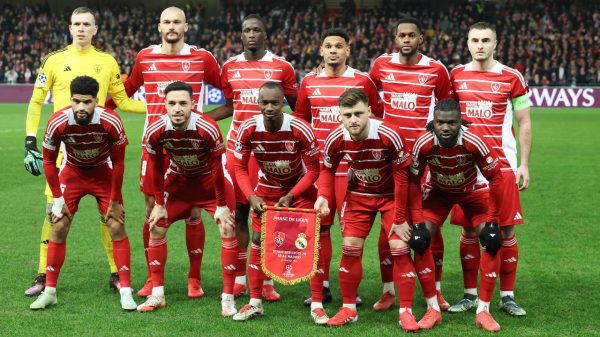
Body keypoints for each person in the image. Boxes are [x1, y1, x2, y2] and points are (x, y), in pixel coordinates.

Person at [23, 6, 145, 297]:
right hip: (64, 150)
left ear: (95, 29)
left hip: (98, 149)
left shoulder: (107, 61)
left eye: (86, 24)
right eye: (76, 23)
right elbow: (36, 101)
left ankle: (116, 273)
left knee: (110, 216)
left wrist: (160, 107)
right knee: (53, 213)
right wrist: (30, 139)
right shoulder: (54, 60)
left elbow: (124, 102)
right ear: (69, 27)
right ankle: (43, 275)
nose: (81, 28)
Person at [105, 6, 223, 299]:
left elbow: (229, 91)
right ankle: (151, 278)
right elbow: (129, 88)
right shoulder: (145, 57)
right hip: (155, 147)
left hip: (192, 147)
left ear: (186, 27)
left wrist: (205, 122)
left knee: (194, 210)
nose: (172, 27)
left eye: (177, 22)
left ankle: (194, 279)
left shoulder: (202, 58)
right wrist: (104, 112)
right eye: (167, 22)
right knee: (151, 211)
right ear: (159, 27)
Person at [315, 88, 427, 331]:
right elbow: (327, 169)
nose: (352, 120)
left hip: (390, 197)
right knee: (350, 249)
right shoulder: (335, 138)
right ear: (340, 116)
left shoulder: (389, 133)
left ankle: (405, 311)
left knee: (399, 248)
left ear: (369, 111)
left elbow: (402, 177)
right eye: (347, 115)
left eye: (358, 113)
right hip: (358, 196)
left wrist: (399, 218)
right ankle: (348, 309)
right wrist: (323, 195)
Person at [205, 14, 298, 301]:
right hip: (238, 151)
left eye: (257, 29)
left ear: (266, 34)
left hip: (270, 153)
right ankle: (242, 279)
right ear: (241, 34)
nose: (252, 34)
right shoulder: (230, 67)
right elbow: (231, 106)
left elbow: (298, 107)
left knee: (269, 217)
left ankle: (267, 280)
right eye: (247, 30)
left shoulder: (282, 67)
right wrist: (201, 118)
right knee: (240, 214)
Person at [369, 16, 455, 311]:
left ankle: (438, 290)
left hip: (423, 160)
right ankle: (388, 290)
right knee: (388, 226)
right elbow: (369, 96)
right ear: (395, 39)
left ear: (421, 39)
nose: (406, 40)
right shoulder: (381, 65)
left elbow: (447, 107)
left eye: (412, 35)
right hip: (387, 158)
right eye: (401, 35)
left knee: (429, 224)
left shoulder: (435, 69)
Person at [294, 28, 383, 310]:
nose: (333, 50)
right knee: (320, 229)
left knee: (350, 235)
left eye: (339, 46)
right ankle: (322, 288)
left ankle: (350, 291)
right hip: (320, 170)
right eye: (328, 46)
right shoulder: (308, 82)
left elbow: (377, 117)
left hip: (352, 170)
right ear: (320, 50)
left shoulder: (361, 80)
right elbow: (299, 121)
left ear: (348, 51)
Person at [30, 76, 135, 310]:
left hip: (102, 174)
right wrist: (57, 198)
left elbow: (119, 163)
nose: (81, 107)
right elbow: (48, 161)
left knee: (116, 225)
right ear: (70, 99)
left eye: (87, 102)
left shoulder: (111, 121)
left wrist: (116, 199)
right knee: (58, 225)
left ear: (96, 101)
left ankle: (126, 291)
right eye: (76, 101)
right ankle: (50, 292)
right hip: (73, 173)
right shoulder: (58, 121)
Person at [448, 21, 531, 316]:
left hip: (503, 166)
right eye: (474, 40)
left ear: (496, 43)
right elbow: (446, 119)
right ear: (467, 43)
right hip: (466, 168)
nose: (479, 45)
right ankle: (470, 294)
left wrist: (523, 164)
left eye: (485, 40)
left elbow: (524, 122)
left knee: (506, 231)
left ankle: (507, 295)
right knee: (469, 231)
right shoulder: (455, 75)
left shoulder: (512, 77)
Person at [136, 81, 238, 315]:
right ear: (165, 105)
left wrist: (221, 206)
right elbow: (156, 166)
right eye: (172, 103)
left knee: (228, 228)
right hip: (179, 180)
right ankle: (157, 295)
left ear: (193, 104)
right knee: (156, 226)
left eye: (183, 103)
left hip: (211, 183)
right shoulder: (156, 129)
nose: (178, 108)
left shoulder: (207, 127)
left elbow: (217, 168)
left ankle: (228, 299)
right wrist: (160, 204)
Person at [409, 98, 507, 332]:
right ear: (433, 122)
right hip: (438, 194)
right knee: (419, 240)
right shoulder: (423, 143)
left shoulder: (474, 141)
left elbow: (496, 178)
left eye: (451, 123)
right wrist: (416, 221)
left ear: (459, 122)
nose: (445, 127)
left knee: (492, 241)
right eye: (440, 122)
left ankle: (483, 311)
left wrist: (493, 221)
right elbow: (413, 182)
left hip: (472, 193)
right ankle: (432, 308)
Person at [231, 82, 319, 321]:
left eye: (275, 102)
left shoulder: (300, 128)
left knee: (309, 243)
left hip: (299, 191)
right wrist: (251, 196)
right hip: (267, 190)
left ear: (283, 103)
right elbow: (239, 167)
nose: (269, 107)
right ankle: (255, 302)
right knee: (258, 241)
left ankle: (317, 304)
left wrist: (292, 195)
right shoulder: (248, 127)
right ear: (258, 103)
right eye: (264, 102)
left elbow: (313, 170)